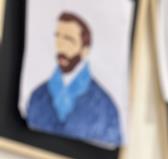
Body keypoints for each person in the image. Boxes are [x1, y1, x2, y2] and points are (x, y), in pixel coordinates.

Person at [26, 12, 122, 147]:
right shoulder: (37, 96)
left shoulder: (104, 106)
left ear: (85, 50)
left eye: (69, 40)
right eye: (58, 37)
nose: (61, 47)